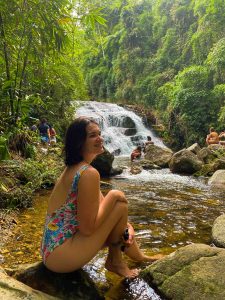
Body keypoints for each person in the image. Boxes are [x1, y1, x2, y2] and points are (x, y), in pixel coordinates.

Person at [40, 117, 160, 278]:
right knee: (118, 200)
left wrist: (127, 227)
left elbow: (108, 212)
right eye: (92, 135)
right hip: (61, 256)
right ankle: (115, 262)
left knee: (118, 206)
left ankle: (139, 257)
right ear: (79, 142)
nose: (100, 138)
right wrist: (115, 195)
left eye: (99, 133)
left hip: (51, 251)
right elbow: (87, 228)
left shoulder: (76, 169)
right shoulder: (88, 173)